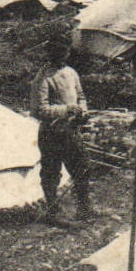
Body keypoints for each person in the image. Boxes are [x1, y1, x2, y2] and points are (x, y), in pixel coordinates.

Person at [31, 38, 93, 225]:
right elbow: (39, 110)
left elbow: (81, 96)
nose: (63, 57)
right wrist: (66, 110)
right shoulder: (43, 77)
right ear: (51, 54)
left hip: (70, 131)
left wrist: (83, 111)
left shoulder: (71, 73)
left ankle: (84, 208)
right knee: (51, 172)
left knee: (82, 167)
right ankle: (53, 211)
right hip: (51, 133)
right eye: (59, 53)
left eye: (66, 53)